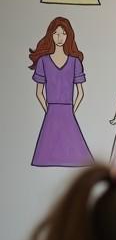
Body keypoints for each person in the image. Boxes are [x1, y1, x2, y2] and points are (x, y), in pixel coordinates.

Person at [29, 16, 93, 167]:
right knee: (46, 157)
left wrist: (71, 110)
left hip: (67, 110)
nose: (60, 37)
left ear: (68, 35)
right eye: (56, 33)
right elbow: (39, 92)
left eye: (63, 33)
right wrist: (48, 110)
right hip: (52, 110)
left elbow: (81, 93)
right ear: (50, 35)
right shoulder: (44, 61)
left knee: (77, 156)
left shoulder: (75, 62)